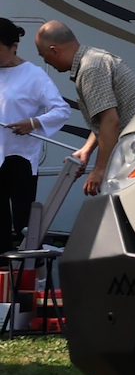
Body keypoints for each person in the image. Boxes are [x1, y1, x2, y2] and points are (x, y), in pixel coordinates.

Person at [34, 22, 135, 198]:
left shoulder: (90, 68)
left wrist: (100, 170)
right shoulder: (92, 60)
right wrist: (86, 150)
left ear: (54, 50)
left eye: (44, 56)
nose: (46, 61)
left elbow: (110, 121)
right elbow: (104, 120)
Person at [0, 20, 72, 250]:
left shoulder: (34, 75)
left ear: (14, 47)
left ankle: (26, 275)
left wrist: (33, 123)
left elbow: (61, 110)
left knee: (23, 221)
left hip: (19, 157)